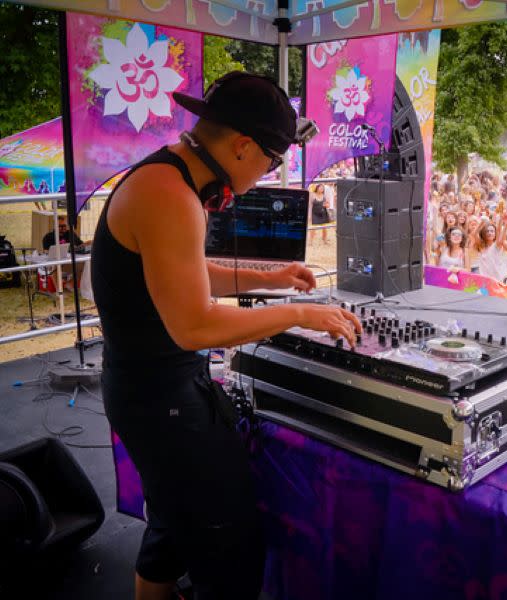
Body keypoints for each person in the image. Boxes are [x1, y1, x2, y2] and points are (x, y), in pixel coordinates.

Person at [91, 72, 362, 600]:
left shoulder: (166, 178)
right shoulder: (170, 195)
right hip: (162, 399)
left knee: (170, 524)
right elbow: (195, 325)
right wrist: (300, 313)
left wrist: (271, 280)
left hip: (146, 389)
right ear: (242, 147)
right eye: (271, 162)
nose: (266, 175)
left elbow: (182, 271)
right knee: (227, 547)